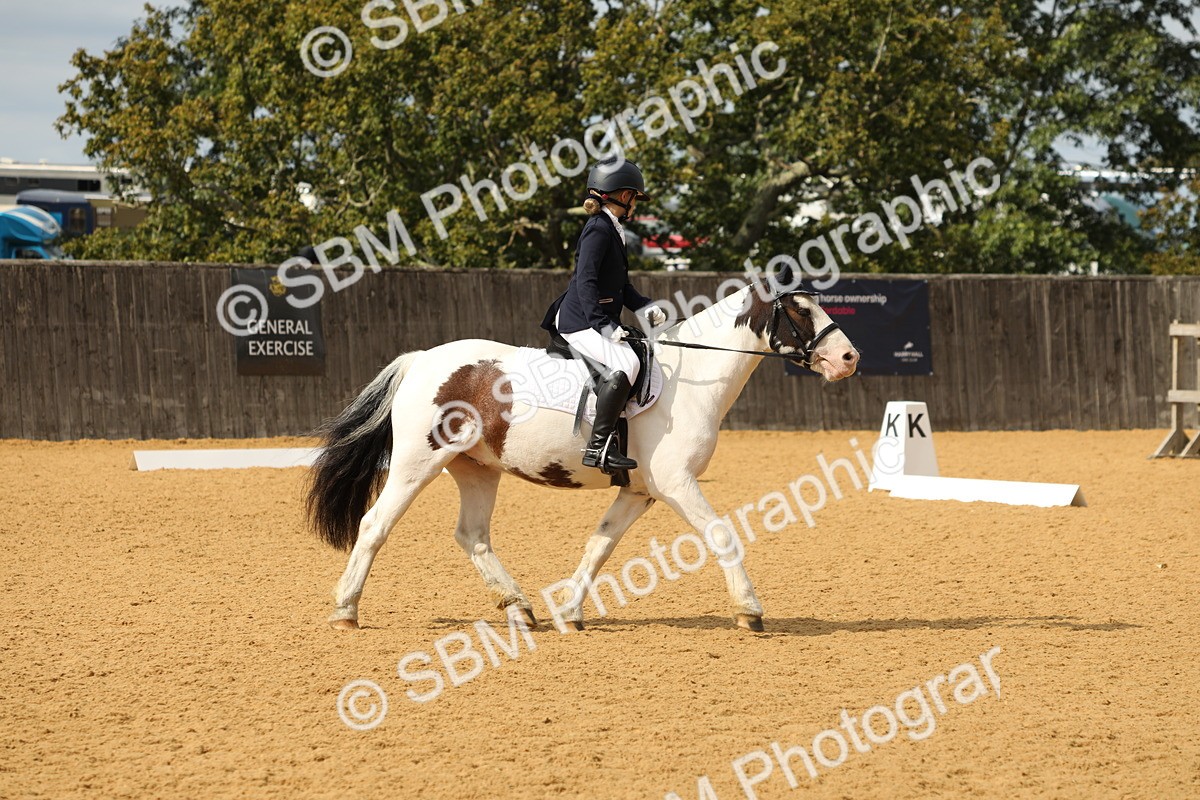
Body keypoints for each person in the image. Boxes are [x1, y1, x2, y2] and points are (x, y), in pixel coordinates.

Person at [540, 159, 666, 473]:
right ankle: (598, 447)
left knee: (634, 355)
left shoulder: (612, 228)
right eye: (635, 197)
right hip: (579, 321)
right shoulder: (598, 229)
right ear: (624, 196)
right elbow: (586, 282)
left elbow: (622, 287)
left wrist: (645, 307)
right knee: (628, 363)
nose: (635, 203)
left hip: (593, 317)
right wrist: (604, 325)